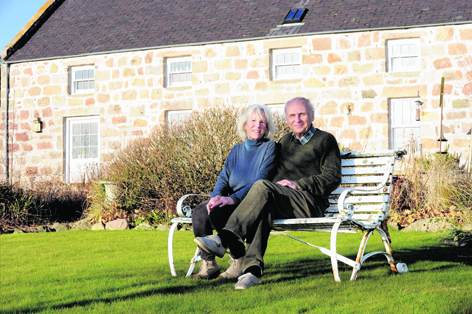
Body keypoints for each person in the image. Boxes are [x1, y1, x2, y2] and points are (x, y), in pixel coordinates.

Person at [195, 97, 342, 289]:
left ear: (312, 116)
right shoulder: (285, 141)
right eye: (292, 115)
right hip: (284, 200)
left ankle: (223, 239)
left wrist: (298, 184)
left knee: (263, 187)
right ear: (287, 119)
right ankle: (251, 272)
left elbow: (333, 177)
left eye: (302, 114)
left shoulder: (325, 140)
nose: (297, 119)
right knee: (263, 206)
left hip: (309, 202)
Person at [191, 104, 277, 280]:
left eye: (262, 122)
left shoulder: (270, 148)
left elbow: (260, 181)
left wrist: (233, 199)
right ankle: (209, 264)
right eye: (253, 121)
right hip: (231, 197)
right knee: (200, 213)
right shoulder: (236, 150)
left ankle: (239, 260)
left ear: (267, 127)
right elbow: (224, 178)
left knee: (218, 212)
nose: (257, 125)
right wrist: (215, 196)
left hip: (252, 200)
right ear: (245, 124)